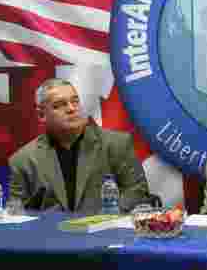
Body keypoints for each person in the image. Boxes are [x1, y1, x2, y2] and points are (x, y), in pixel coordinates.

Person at [9, 78, 149, 213]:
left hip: (107, 231)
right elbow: (16, 213)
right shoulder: (23, 161)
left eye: (75, 102)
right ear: (41, 115)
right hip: (51, 234)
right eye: (60, 105)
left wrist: (107, 217)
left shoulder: (116, 144)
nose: (71, 109)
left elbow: (137, 191)